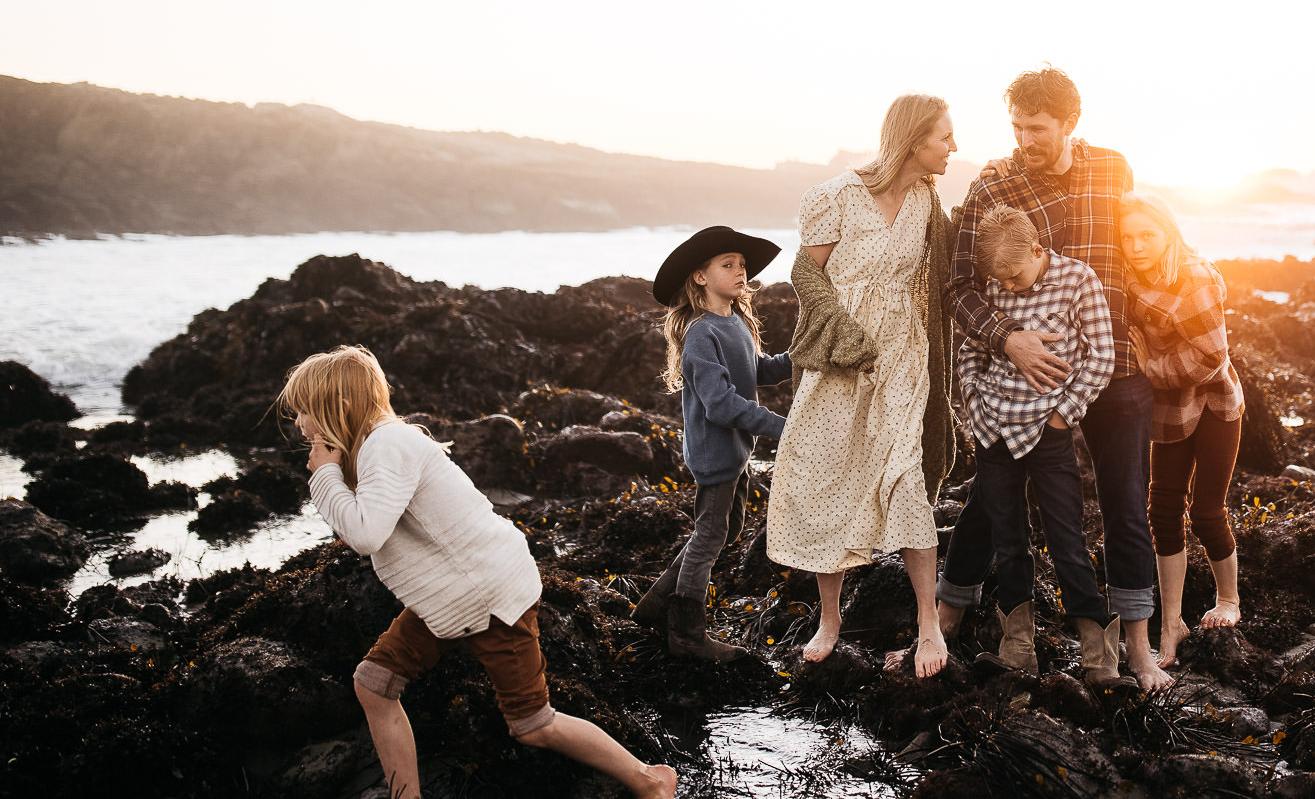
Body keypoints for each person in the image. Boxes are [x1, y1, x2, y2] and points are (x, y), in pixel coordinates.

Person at [282, 345, 676, 799]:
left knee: (533, 723)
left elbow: (365, 535)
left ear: (341, 407)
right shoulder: (380, 444)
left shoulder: (387, 444)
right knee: (373, 684)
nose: (300, 424)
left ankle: (651, 780)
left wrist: (325, 474)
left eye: (305, 412)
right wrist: (335, 473)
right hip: (450, 599)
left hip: (488, 597)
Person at [937, 65, 1174, 691]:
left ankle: (1138, 650)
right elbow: (959, 286)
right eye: (1016, 126)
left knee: (1126, 508)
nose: (1024, 139)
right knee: (991, 509)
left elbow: (1143, 247)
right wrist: (1005, 340)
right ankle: (947, 615)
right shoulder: (992, 183)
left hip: (1113, 364)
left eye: (1037, 128)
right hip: (1021, 383)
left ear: (1070, 123)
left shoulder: (1112, 170)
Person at [767, 93, 960, 678]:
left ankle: (929, 623)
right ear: (913, 139)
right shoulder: (837, 196)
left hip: (903, 358)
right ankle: (830, 620)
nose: (954, 147)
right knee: (832, 477)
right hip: (843, 361)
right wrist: (843, 331)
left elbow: (955, 270)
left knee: (906, 478)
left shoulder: (929, 203)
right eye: (944, 137)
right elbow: (806, 271)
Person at [952, 205, 1129, 687]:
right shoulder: (995, 282)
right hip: (994, 432)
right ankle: (1018, 648)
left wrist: (1061, 416)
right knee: (1009, 542)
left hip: (1048, 434)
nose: (1007, 287)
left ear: (1037, 249)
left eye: (1014, 276)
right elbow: (969, 348)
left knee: (1067, 540)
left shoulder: (1078, 280)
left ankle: (1100, 658)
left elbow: (1103, 355)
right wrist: (973, 402)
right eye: (999, 280)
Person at [632, 227, 790, 662]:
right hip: (715, 452)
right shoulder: (701, 334)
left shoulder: (735, 322)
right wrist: (784, 427)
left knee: (725, 529)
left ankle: (654, 605)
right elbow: (720, 404)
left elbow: (758, 371)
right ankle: (686, 634)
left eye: (742, 265)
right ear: (700, 277)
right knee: (710, 535)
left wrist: (803, 357)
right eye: (729, 265)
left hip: (737, 450)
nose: (741, 272)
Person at [1119, 191, 1246, 667]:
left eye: (1147, 235)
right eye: (1127, 237)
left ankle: (1229, 599)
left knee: (1208, 511)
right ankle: (1171, 624)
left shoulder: (1192, 278)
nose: (1136, 245)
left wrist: (1152, 365)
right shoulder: (1127, 278)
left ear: (1168, 232)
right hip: (1170, 412)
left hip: (1215, 406)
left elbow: (1212, 358)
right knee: (1163, 511)